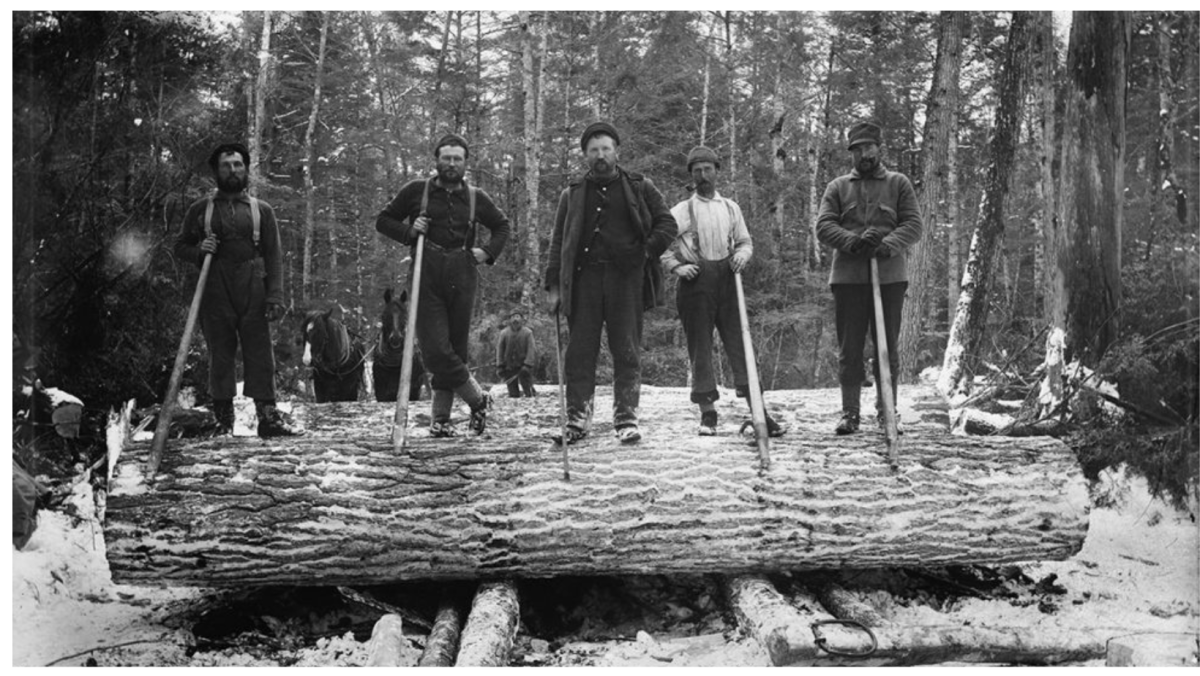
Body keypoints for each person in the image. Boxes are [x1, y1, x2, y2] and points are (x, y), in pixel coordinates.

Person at [544, 122, 678, 444]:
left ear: (617, 151)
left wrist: (645, 253)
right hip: (583, 282)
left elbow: (667, 224)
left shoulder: (640, 186)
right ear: (585, 156)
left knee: (627, 350)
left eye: (606, 149)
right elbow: (558, 241)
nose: (600, 155)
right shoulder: (572, 194)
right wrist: (554, 287)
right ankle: (577, 420)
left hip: (626, 282)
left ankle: (626, 419)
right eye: (594, 150)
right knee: (579, 352)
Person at [376, 133, 511, 437]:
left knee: (456, 349)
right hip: (426, 272)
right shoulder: (416, 191)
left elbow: (502, 225)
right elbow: (383, 220)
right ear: (436, 160)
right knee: (435, 349)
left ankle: (441, 419)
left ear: (466, 163)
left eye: (457, 158)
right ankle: (478, 400)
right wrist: (410, 231)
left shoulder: (476, 197)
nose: (451, 164)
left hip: (463, 272)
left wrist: (487, 252)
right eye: (446, 158)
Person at [174, 142, 302, 437]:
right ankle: (223, 419)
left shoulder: (262, 211)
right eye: (226, 165)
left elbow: (273, 255)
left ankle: (267, 417)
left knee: (260, 352)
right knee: (220, 352)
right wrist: (198, 250)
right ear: (216, 171)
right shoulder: (200, 210)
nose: (232, 170)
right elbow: (180, 246)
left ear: (246, 169)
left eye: (238, 165)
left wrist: (275, 295)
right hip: (215, 286)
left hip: (253, 283)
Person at [661, 146, 785, 438]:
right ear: (691, 175)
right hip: (695, 285)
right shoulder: (681, 210)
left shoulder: (730, 208)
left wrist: (743, 255)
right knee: (700, 348)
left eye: (708, 169)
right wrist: (677, 268)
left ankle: (759, 412)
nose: (703, 176)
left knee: (741, 345)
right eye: (697, 171)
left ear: (717, 171)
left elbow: (744, 242)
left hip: (730, 283)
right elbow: (660, 244)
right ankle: (708, 414)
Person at [815, 121, 923, 434]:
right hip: (848, 279)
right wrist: (853, 241)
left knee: (886, 348)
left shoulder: (898, 183)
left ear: (879, 148)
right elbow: (823, 226)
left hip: (889, 278)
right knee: (849, 350)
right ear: (851, 152)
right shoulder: (837, 187)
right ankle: (850, 413)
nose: (864, 154)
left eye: (869, 147)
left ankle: (887, 410)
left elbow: (913, 225)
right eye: (858, 149)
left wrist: (886, 244)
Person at [495, 311, 537, 398]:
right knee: (513, 393)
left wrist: (528, 364)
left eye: (517, 317)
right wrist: (500, 365)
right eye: (513, 317)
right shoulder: (504, 333)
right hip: (509, 367)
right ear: (510, 319)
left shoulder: (528, 333)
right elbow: (500, 350)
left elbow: (531, 349)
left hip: (524, 366)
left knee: (528, 390)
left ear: (521, 319)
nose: (515, 319)